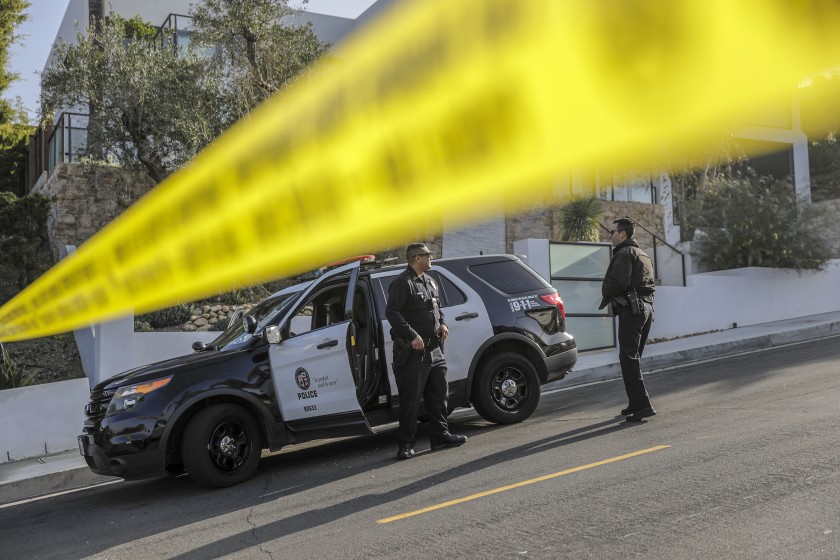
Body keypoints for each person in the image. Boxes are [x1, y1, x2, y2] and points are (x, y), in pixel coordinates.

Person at [385, 243, 467, 460]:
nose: (432, 258)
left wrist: (443, 323)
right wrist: (412, 335)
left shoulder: (430, 281)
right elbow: (391, 312)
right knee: (411, 400)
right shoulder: (403, 283)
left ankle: (440, 436)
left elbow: (436, 307)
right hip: (413, 354)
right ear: (416, 258)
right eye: (428, 255)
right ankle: (405, 444)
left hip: (435, 350)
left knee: (439, 396)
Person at [599, 218, 657, 422]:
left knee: (628, 359)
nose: (611, 235)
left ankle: (642, 405)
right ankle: (635, 403)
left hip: (632, 310)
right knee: (634, 359)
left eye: (612, 232)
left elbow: (619, 282)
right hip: (646, 309)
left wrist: (605, 290)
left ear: (622, 234)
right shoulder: (643, 254)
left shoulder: (624, 253)